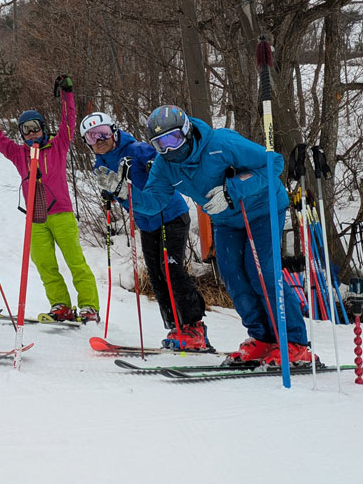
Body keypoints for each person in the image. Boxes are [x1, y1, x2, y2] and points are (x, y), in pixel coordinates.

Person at [115, 104, 315, 366]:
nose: (169, 149)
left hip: (262, 208)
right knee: (232, 275)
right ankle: (263, 337)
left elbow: (273, 163)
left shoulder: (221, 143)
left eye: (173, 139)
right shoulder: (165, 166)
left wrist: (232, 189)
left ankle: (294, 342)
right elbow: (154, 202)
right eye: (160, 144)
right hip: (226, 220)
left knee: (262, 271)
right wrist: (125, 194)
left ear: (187, 131)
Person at [80, 111, 210, 350]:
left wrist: (152, 165)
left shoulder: (137, 149)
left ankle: (194, 326)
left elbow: (163, 165)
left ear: (114, 131)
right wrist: (109, 194)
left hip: (170, 214)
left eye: (103, 133)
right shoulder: (100, 164)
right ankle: (175, 327)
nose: (99, 140)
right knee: (156, 275)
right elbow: (119, 192)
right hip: (146, 222)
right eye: (91, 137)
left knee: (171, 268)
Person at [0, 75, 100, 323]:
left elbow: (69, 121)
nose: (32, 133)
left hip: (62, 215)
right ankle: (61, 305)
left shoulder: (58, 145)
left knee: (75, 262)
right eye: (26, 130)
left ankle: (89, 307)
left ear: (43, 127)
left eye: (35, 127)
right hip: (36, 218)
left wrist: (67, 94)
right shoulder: (19, 154)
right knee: (45, 264)